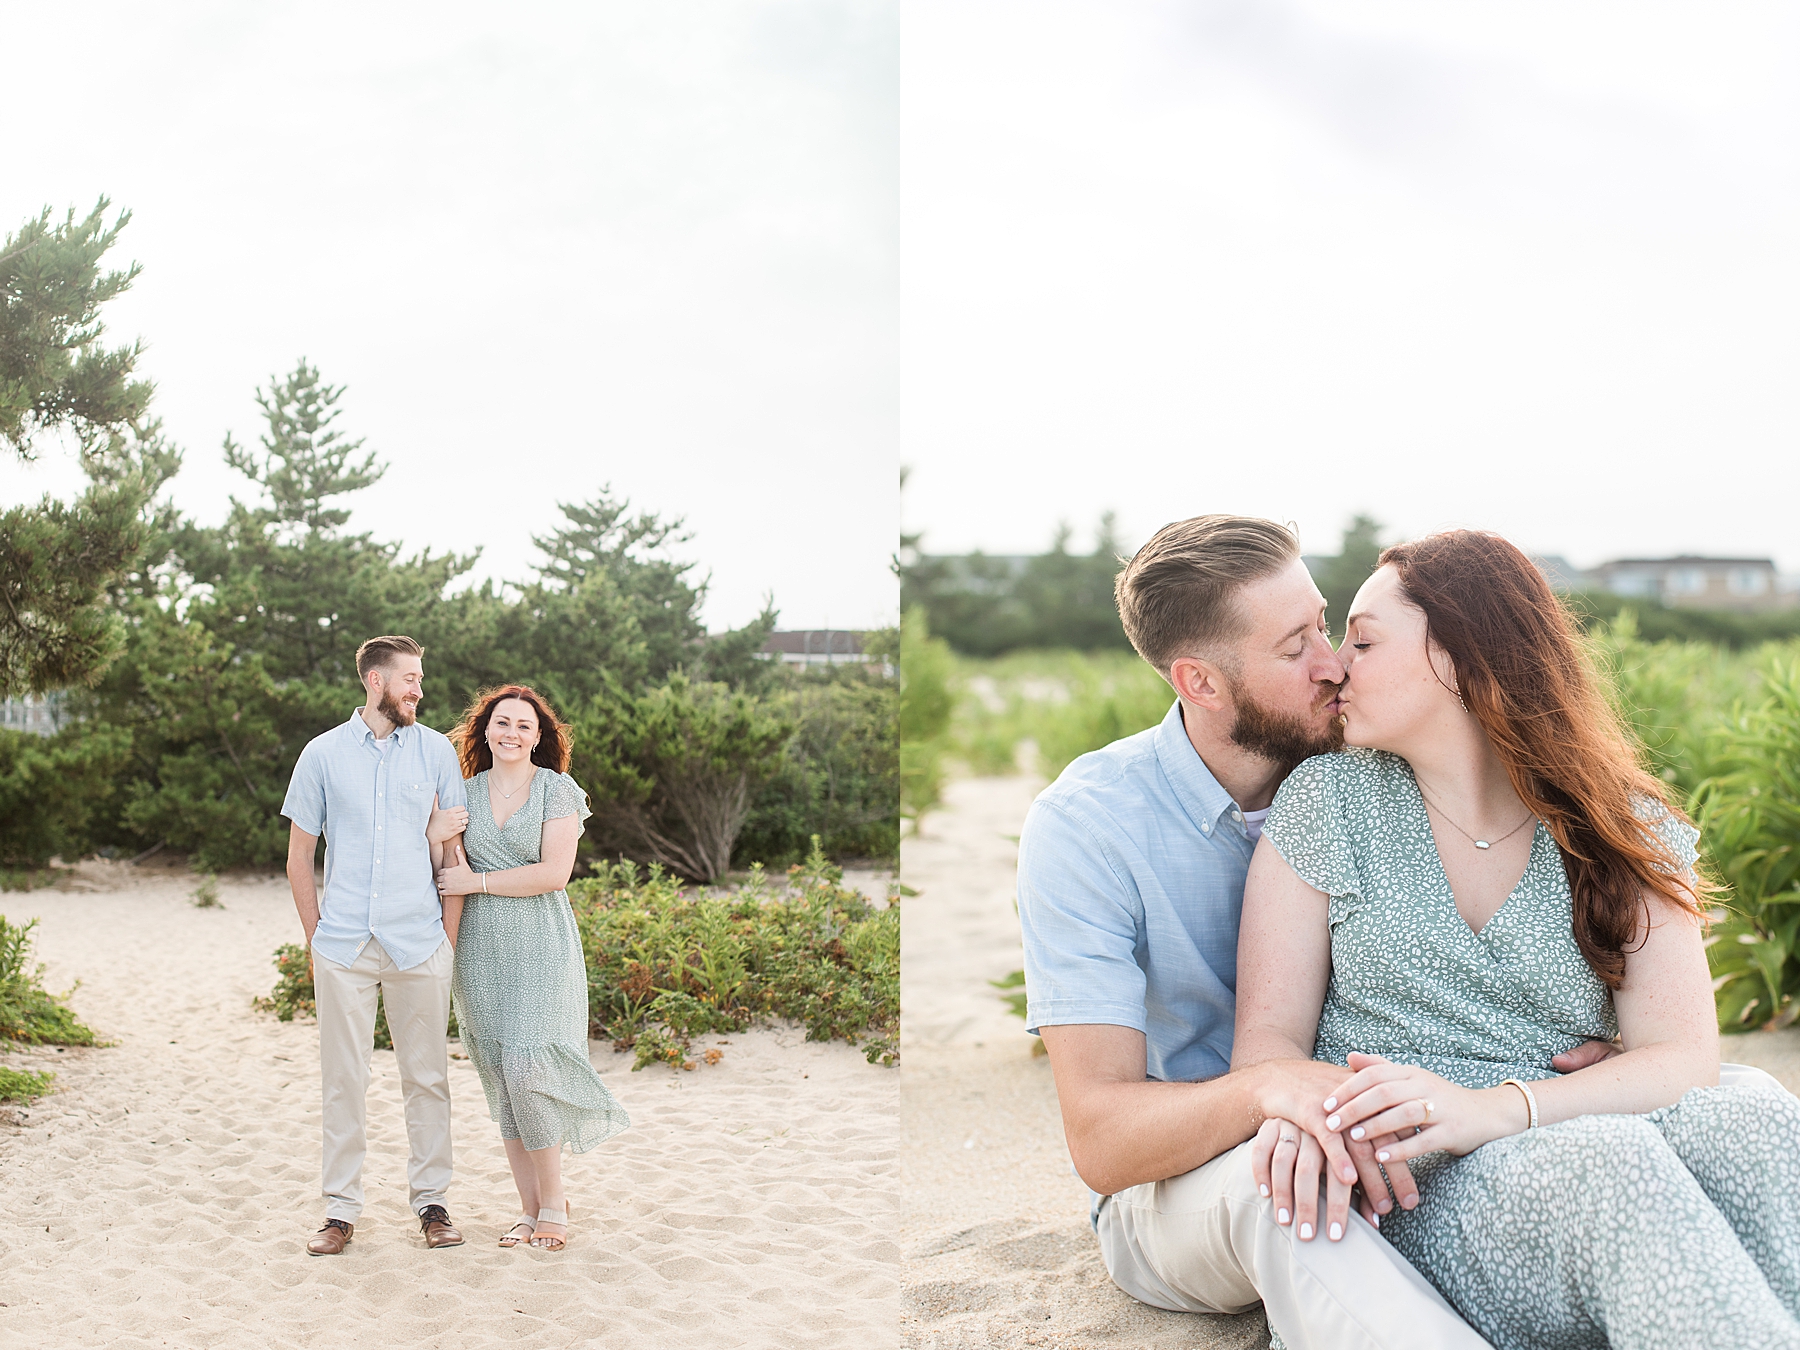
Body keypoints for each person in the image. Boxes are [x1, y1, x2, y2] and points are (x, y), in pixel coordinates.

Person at [1234, 530, 1800, 1349]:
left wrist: (1499, 1109)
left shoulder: (1620, 824)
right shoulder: (1328, 800)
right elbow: (1265, 1046)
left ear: (1461, 657)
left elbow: (1683, 1059)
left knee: (1760, 1129)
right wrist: (1309, 1107)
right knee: (1613, 1172)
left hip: (1566, 1126)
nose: (1336, 665)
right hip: (1420, 1180)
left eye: (1362, 639)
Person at [1017, 515, 1550, 1349]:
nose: (1334, 664)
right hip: (1186, 1185)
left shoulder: (1378, 766)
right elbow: (1103, 1140)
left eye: (1326, 625)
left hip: (1384, 1129)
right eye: (1294, 646)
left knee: (1733, 1096)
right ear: (1201, 682)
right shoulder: (1089, 829)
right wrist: (1273, 1091)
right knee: (1289, 1190)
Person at [281, 635, 470, 1256]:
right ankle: (340, 1211)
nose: (419, 689)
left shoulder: (438, 752)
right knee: (344, 1079)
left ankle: (433, 1204)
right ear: (374, 681)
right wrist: (318, 944)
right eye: (409, 678)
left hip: (420, 942)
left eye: (420, 678)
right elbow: (300, 858)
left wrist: (446, 937)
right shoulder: (321, 754)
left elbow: (453, 854)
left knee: (427, 1077)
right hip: (344, 946)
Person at [428, 683, 630, 1252]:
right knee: (503, 1079)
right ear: (485, 730)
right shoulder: (461, 794)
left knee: (530, 1069)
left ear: (539, 737)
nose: (511, 732)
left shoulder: (557, 790)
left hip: (541, 943)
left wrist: (480, 881)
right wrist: (434, 839)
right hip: (480, 951)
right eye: (502, 722)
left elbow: (554, 873)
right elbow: (446, 872)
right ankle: (528, 1210)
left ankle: (554, 1205)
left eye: (523, 725)